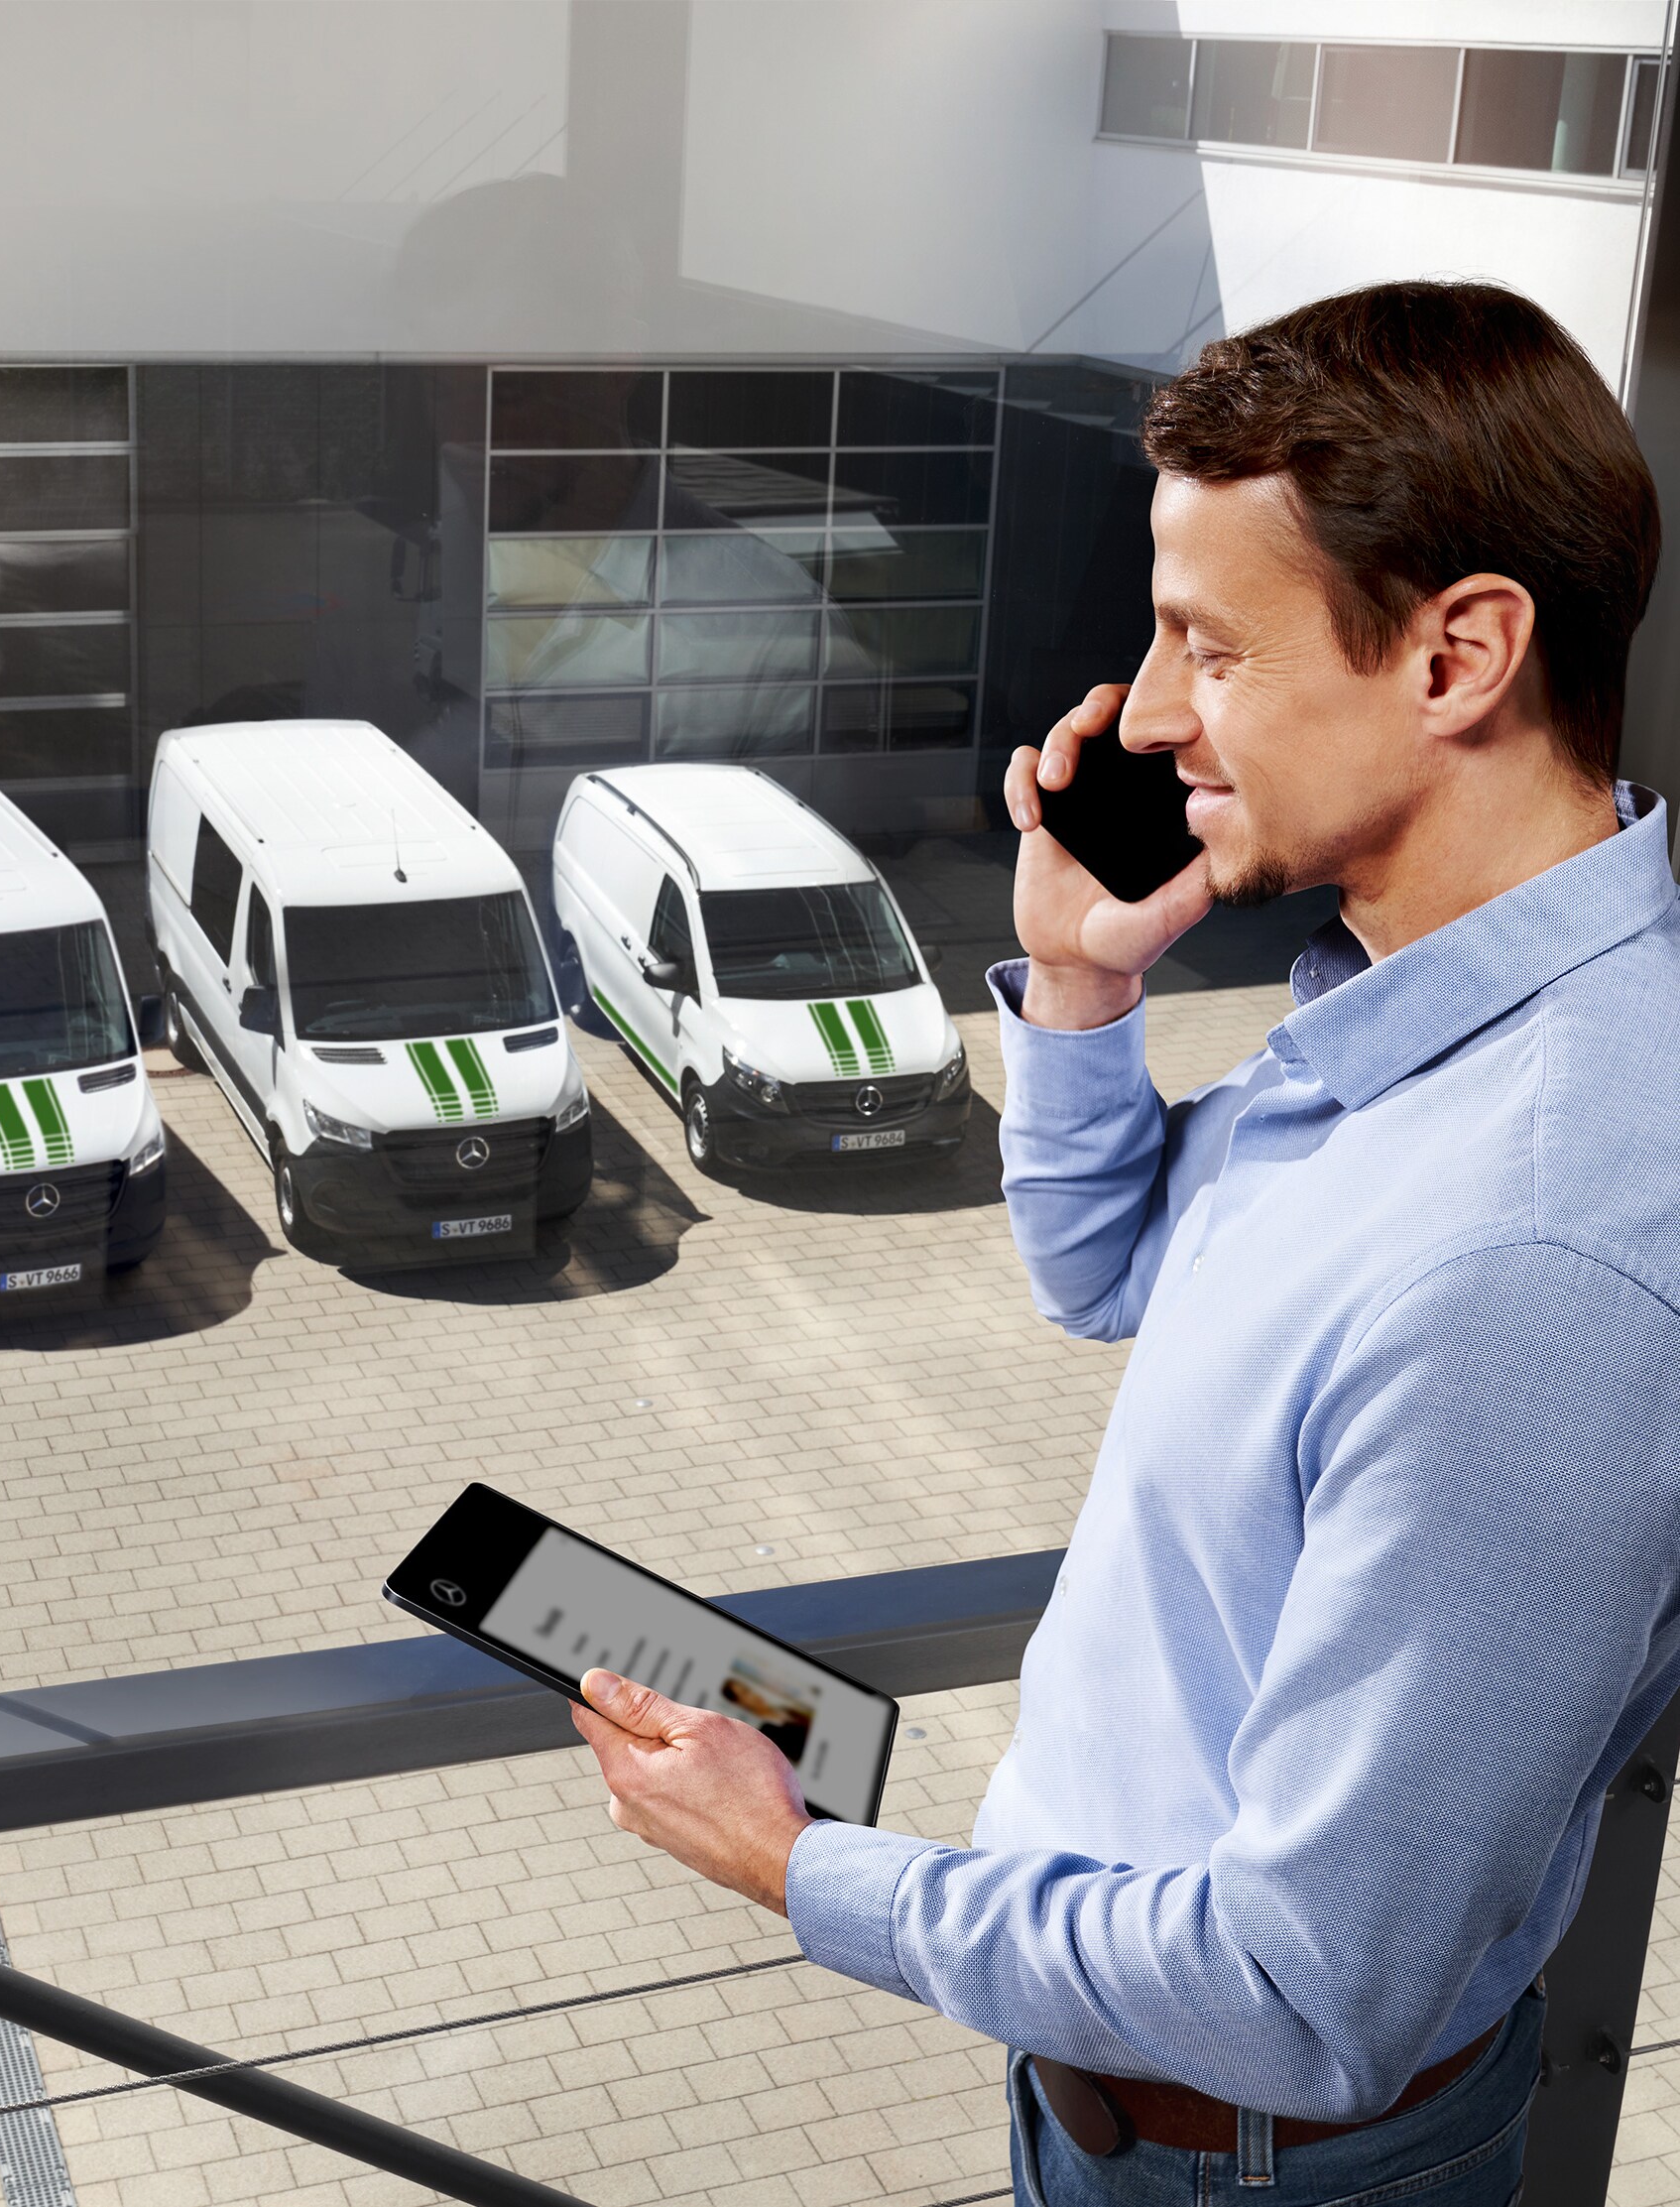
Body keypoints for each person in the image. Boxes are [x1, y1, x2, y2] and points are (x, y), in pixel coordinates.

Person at [567, 279, 1680, 2207]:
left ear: (1455, 657)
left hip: (1243, 2159)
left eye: (1205, 646)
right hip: (1136, 2117)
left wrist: (795, 1866)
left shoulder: (1528, 1262)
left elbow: (1300, 1990)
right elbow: (1110, 1280)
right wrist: (1078, 986)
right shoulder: (1411, 1000)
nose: (1149, 718)